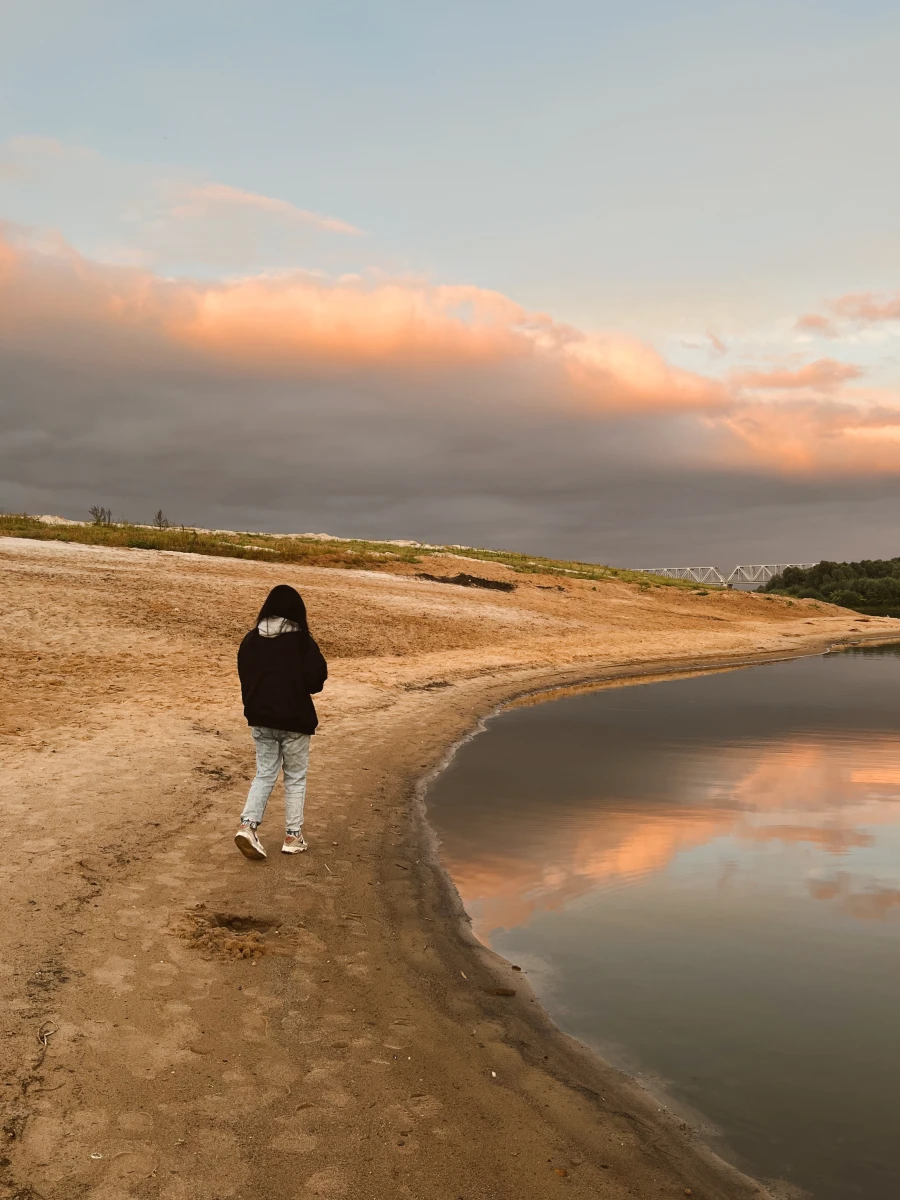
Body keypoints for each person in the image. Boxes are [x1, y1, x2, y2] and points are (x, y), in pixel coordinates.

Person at [234, 584, 328, 860]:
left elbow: (245, 677)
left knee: (265, 772)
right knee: (295, 778)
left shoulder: (251, 640)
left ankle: (247, 826)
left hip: (260, 717)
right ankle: (292, 836)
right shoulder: (302, 641)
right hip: (295, 719)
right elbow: (316, 681)